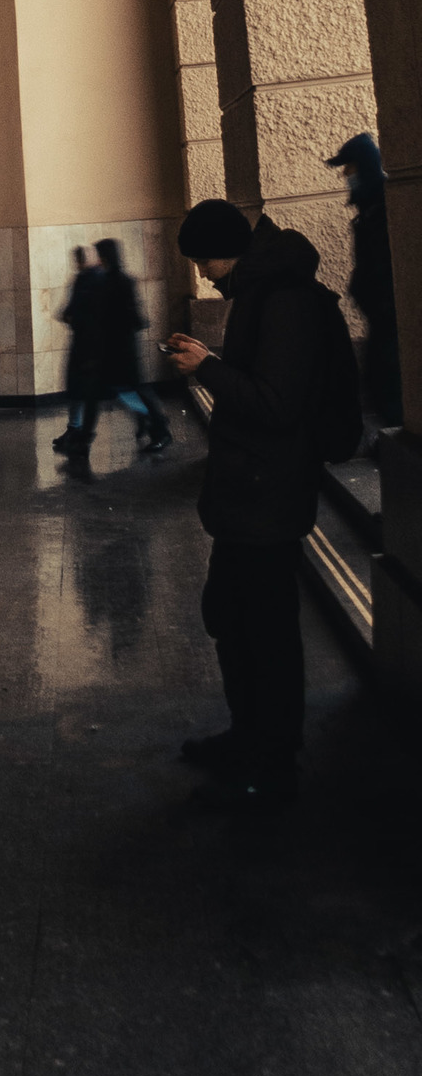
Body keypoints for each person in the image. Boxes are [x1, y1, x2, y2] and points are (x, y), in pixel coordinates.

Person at [163, 199, 333, 808]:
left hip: (270, 493)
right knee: (234, 618)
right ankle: (248, 738)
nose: (204, 275)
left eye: (203, 262)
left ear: (225, 252)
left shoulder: (281, 299)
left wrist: (208, 366)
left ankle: (274, 757)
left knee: (265, 630)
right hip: (251, 492)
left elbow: (276, 404)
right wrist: (211, 363)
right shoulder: (259, 292)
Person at [55, 238, 172, 474]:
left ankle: (160, 429)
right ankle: (86, 438)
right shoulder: (109, 280)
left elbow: (123, 316)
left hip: (119, 348)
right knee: (98, 393)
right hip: (113, 347)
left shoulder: (114, 282)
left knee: (129, 391)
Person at [328, 132, 402, 429]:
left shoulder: (385, 208)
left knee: (388, 379)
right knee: (380, 378)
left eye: (350, 167)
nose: (346, 174)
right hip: (382, 316)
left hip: (390, 317)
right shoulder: (370, 207)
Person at [51, 246, 99, 450]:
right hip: (84, 342)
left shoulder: (91, 280)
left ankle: (153, 420)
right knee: (78, 388)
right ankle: (76, 428)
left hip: (89, 343)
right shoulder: (84, 280)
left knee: (113, 389)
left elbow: (70, 312)